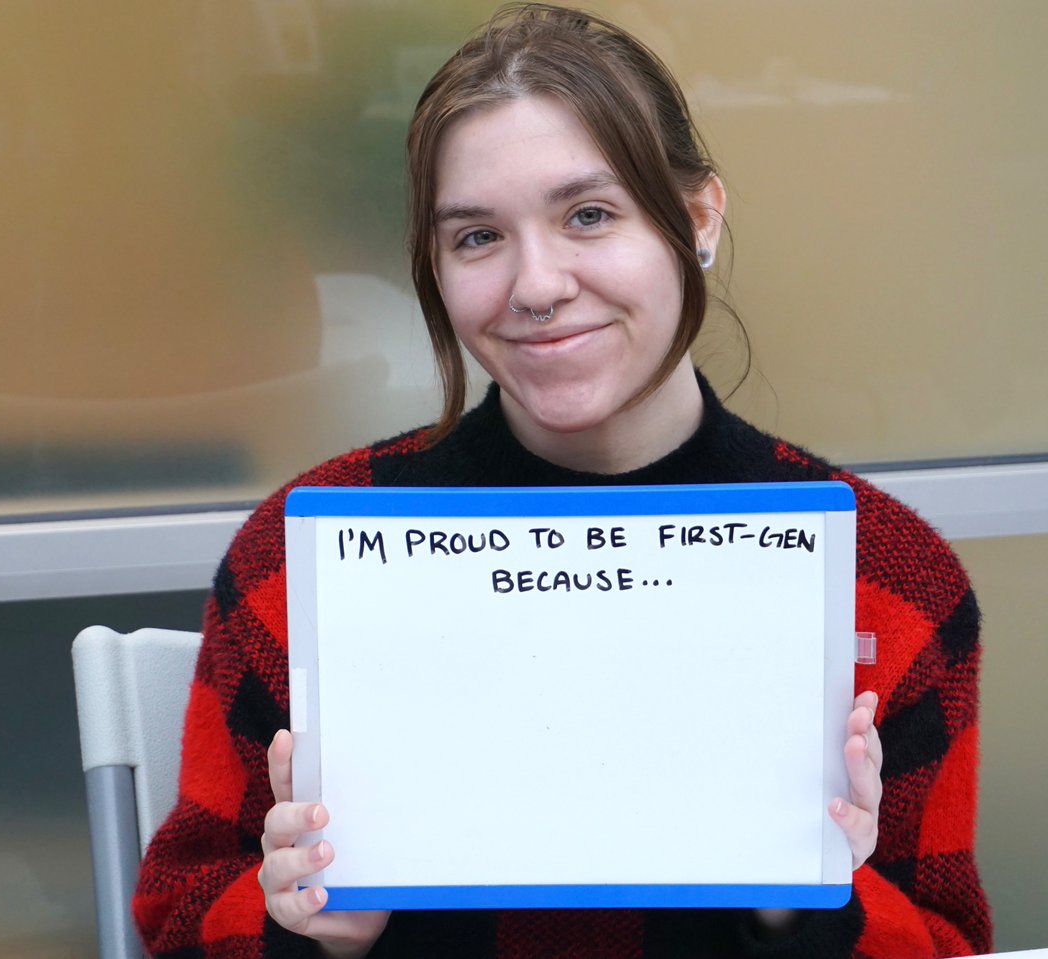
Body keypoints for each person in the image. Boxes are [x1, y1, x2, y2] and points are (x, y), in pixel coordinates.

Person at [133, 5, 991, 956]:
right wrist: (309, 930)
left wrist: (814, 894)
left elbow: (950, 942)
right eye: (476, 237)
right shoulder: (306, 569)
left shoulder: (891, 581)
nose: (536, 285)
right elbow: (179, 924)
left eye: (589, 215)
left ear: (697, 217)